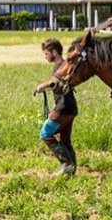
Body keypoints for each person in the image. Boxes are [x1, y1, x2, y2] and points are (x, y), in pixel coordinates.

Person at [33, 38, 78, 176]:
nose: (45, 56)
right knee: (65, 140)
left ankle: (66, 164)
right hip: (70, 108)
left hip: (63, 108)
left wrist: (42, 86)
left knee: (45, 134)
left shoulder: (61, 66)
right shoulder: (62, 65)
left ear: (54, 52)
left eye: (46, 53)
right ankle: (71, 170)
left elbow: (54, 83)